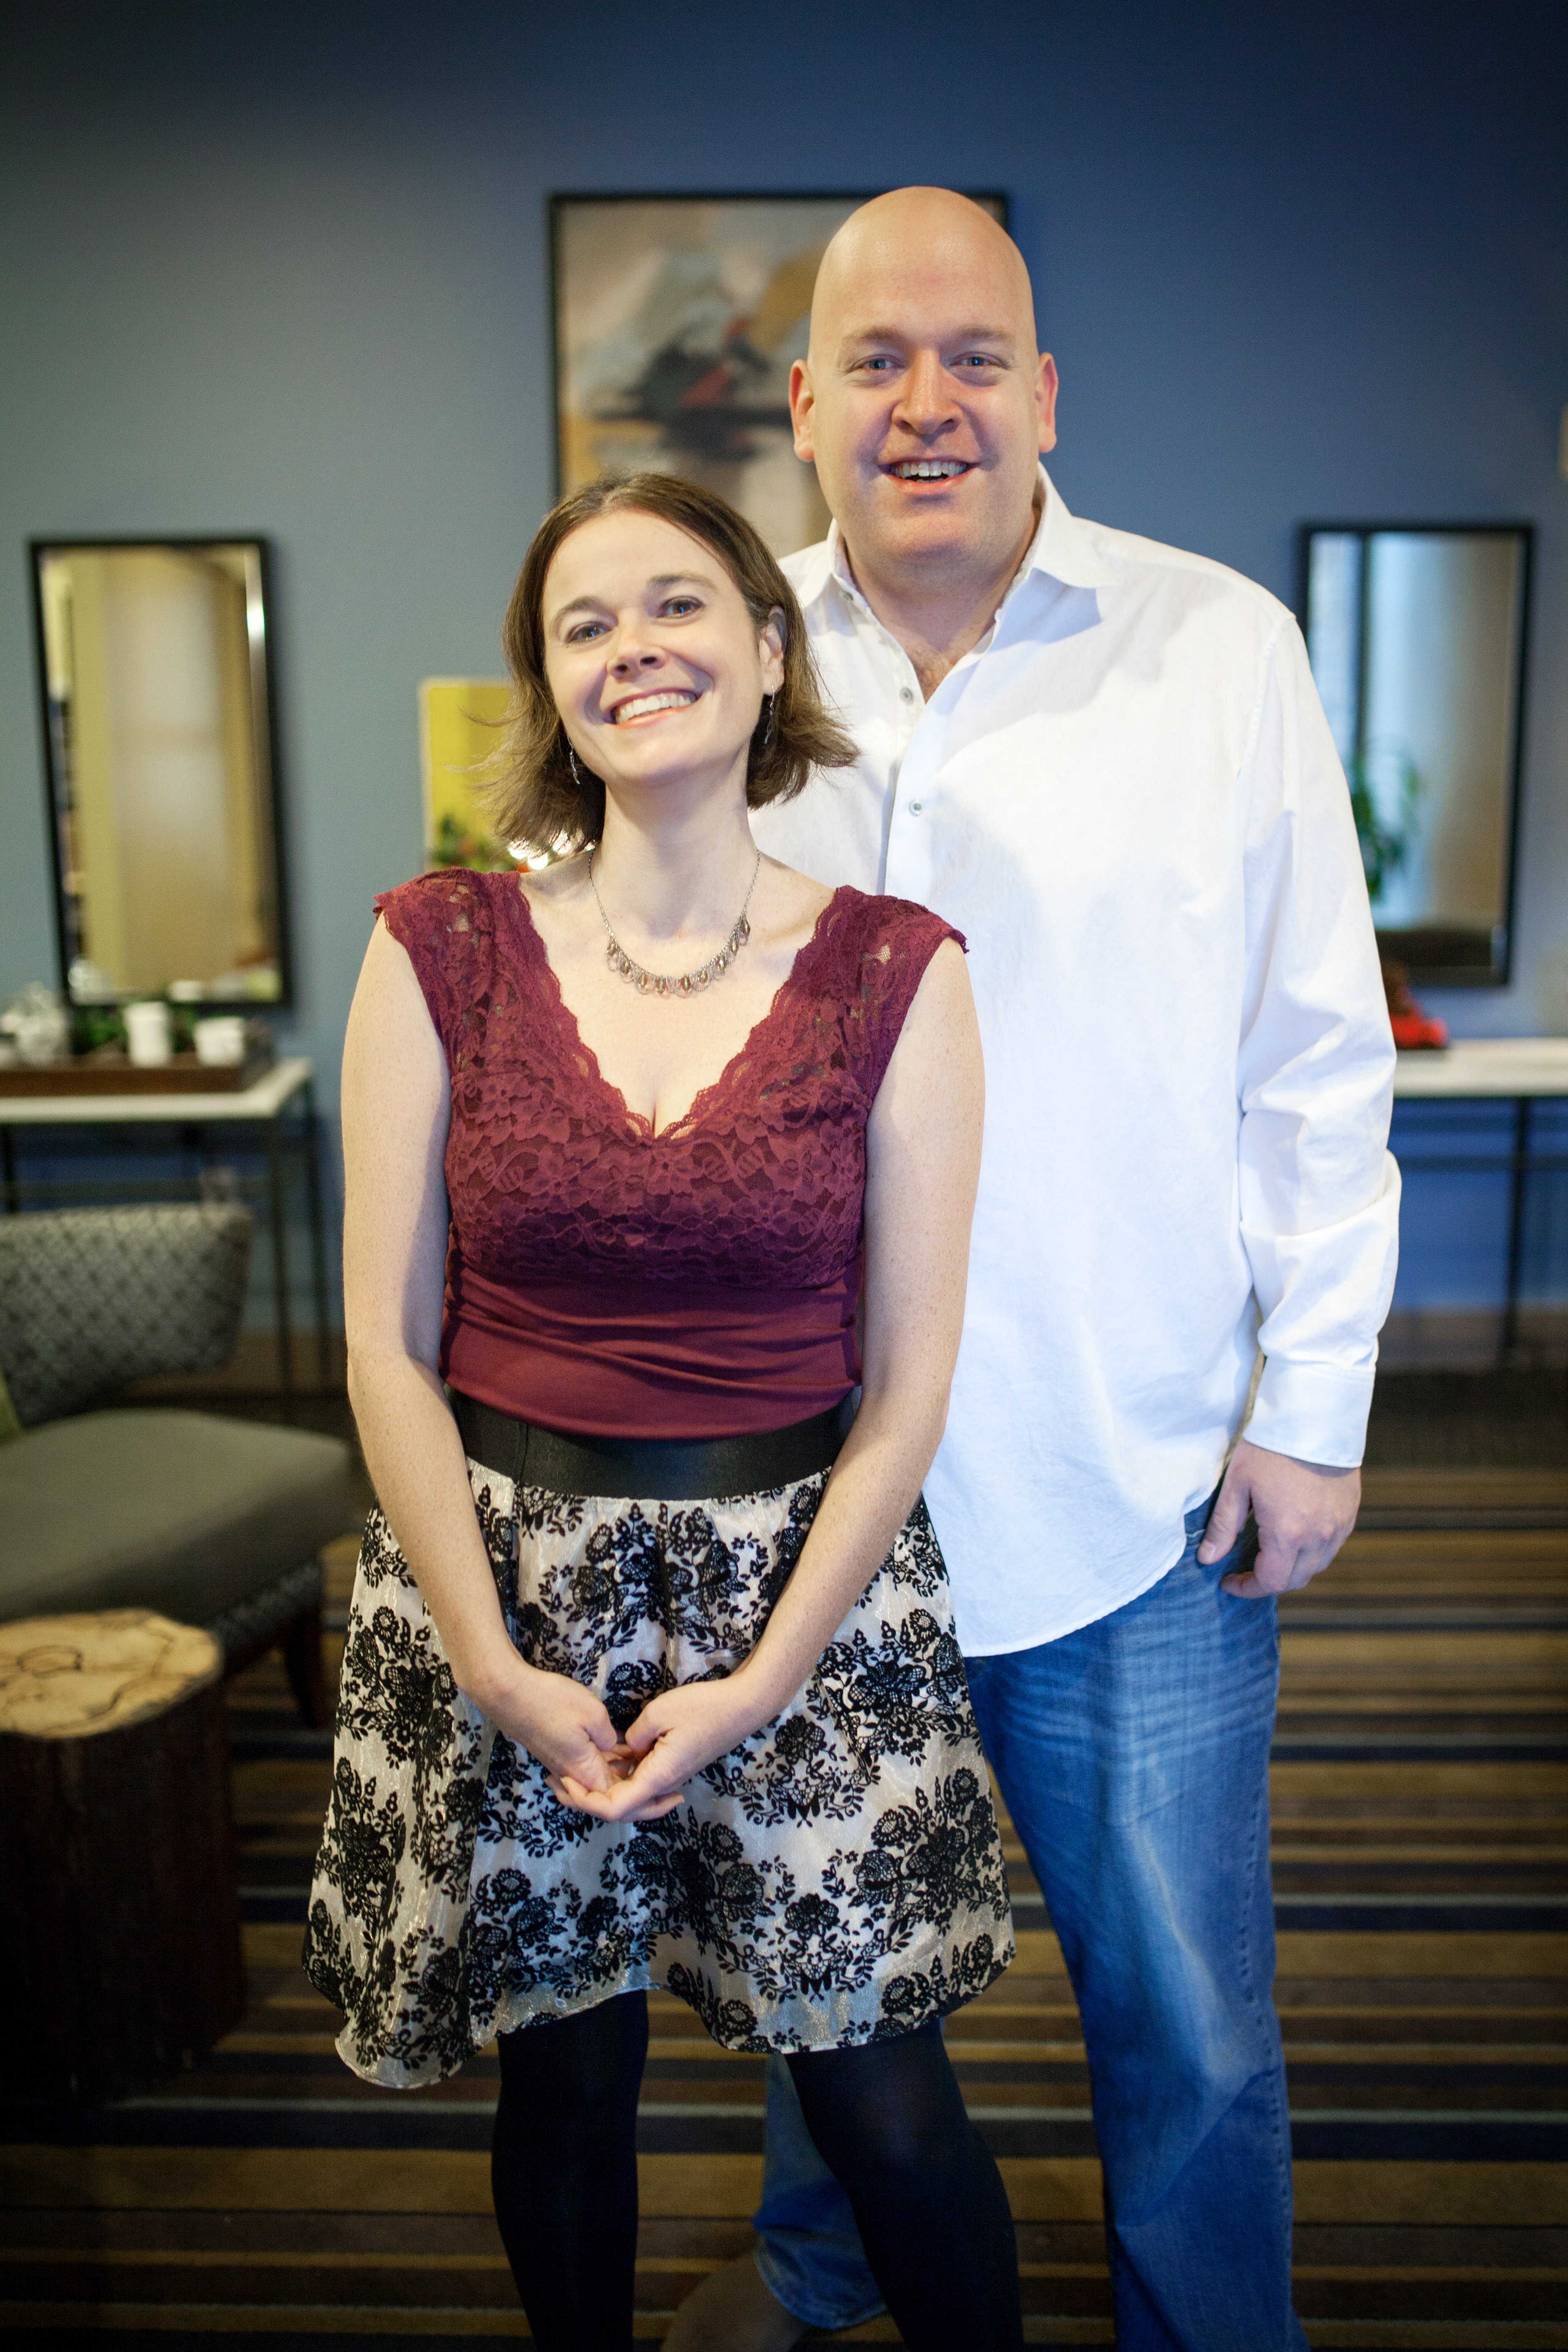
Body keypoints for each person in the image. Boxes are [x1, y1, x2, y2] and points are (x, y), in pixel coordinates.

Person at [665, 189, 1400, 2352]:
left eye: (974, 355)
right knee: (831, 1990)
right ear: (801, 405)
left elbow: (1317, 1057)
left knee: (1186, 2021)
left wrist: (1319, 1404)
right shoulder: (718, 669)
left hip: (1134, 1507)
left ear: (1048, 392)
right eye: (876, 360)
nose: (927, 402)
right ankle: (823, 2300)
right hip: (801, 1525)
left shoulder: (1220, 654)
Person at [303, 469, 1026, 2352]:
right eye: (584, 625)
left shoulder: (897, 973)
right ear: (549, 692)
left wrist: (770, 1674)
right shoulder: (438, 945)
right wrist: (492, 1664)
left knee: (883, 2098)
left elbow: (911, 1383)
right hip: (502, 1590)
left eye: (678, 604)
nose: (636, 650)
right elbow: (384, 1346)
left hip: (799, 1599)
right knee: (568, 2080)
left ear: (768, 648)